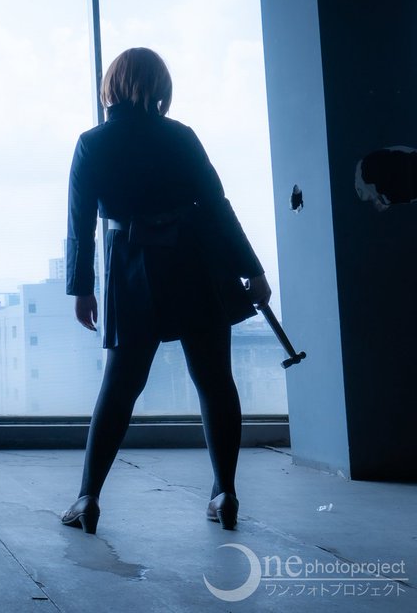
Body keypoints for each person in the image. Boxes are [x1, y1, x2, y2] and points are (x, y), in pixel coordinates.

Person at [61, 47, 271, 534]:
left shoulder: (92, 143)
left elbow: (79, 224)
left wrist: (82, 289)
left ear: (112, 85)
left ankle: (88, 498)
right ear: (160, 85)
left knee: (119, 387)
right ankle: (224, 494)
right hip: (196, 264)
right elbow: (217, 206)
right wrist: (252, 269)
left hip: (133, 268)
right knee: (215, 380)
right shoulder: (181, 137)